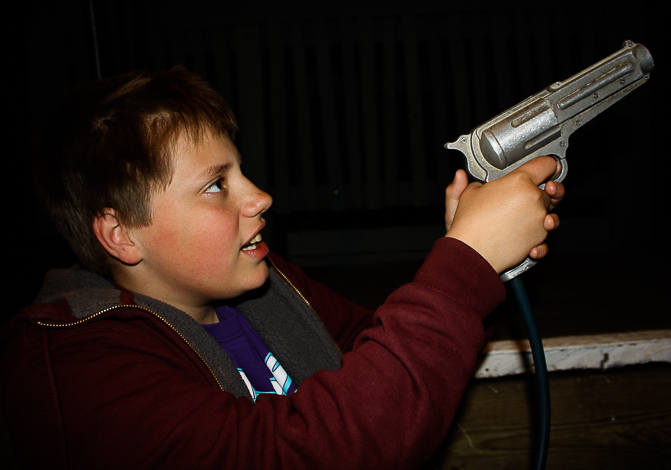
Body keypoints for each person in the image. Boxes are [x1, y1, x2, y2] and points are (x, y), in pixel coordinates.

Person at [0, 66, 564, 469]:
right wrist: (465, 266)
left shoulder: (268, 287)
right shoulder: (75, 362)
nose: (261, 197)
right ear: (121, 234)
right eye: (217, 185)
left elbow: (383, 362)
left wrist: (481, 260)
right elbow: (304, 453)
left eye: (242, 172)